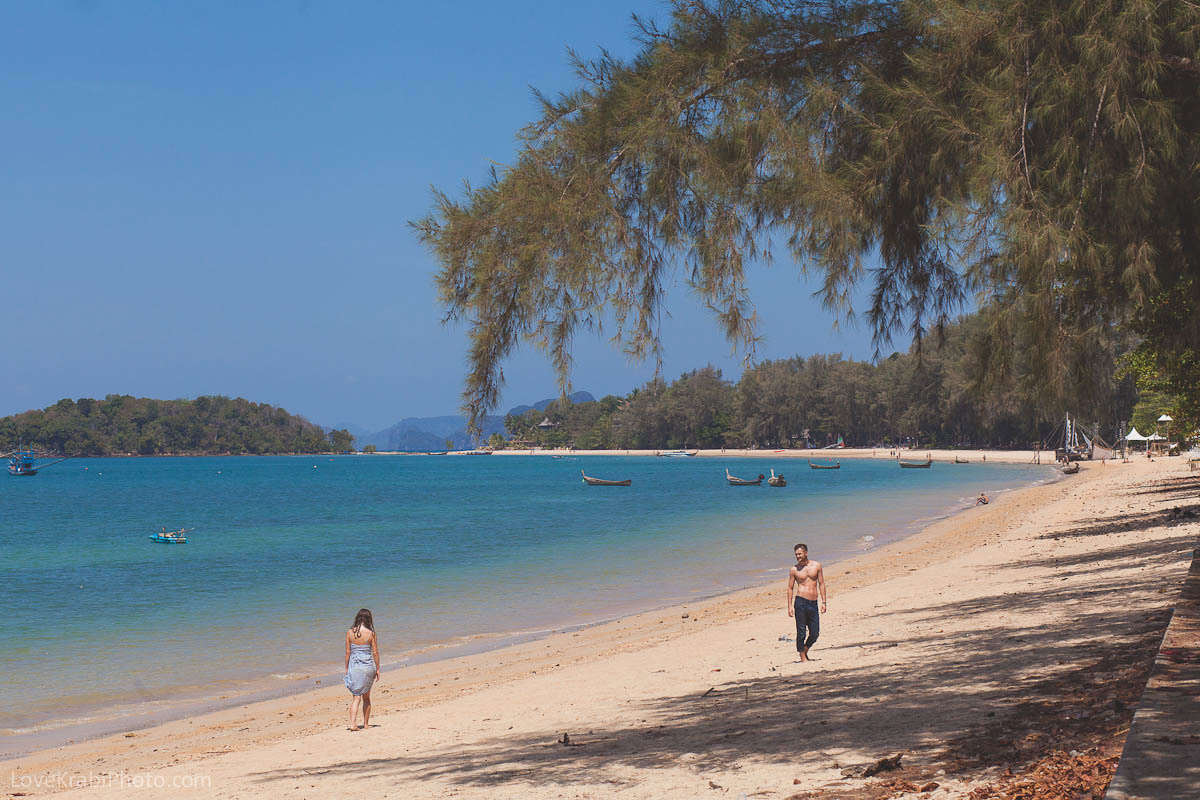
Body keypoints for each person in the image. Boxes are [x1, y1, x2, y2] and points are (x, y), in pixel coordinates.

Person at [786, 543, 827, 662]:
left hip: (813, 602)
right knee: (801, 632)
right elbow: (790, 588)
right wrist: (789, 606)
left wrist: (824, 602)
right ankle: (802, 655)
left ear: (806, 553)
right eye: (796, 555)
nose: (798, 556)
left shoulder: (817, 566)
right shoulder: (794, 570)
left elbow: (822, 583)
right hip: (800, 602)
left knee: (815, 632)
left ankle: (805, 649)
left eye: (799, 554)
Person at [344, 608, 380, 730]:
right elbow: (375, 653)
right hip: (367, 667)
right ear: (369, 619)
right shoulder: (371, 634)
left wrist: (346, 668)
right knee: (366, 697)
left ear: (357, 618)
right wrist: (378, 669)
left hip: (355, 667)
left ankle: (353, 724)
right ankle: (365, 724)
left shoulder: (349, 633)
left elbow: (348, 653)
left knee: (356, 697)